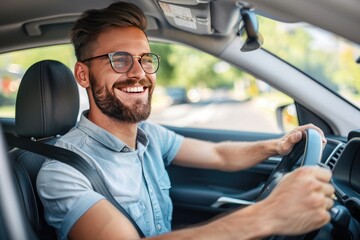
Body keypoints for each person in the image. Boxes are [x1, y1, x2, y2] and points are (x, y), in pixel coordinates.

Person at [36, 2, 334, 240]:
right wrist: (269, 214)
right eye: (120, 59)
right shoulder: (62, 173)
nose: (139, 73)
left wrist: (278, 145)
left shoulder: (149, 136)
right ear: (83, 75)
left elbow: (219, 155)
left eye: (145, 59)